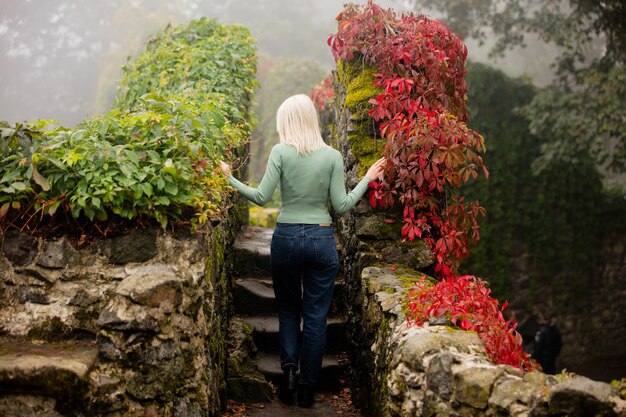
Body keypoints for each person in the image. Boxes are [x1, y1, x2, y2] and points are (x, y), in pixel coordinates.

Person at [220, 94, 385, 408]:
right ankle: (308, 388)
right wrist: (366, 178)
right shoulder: (333, 156)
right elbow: (342, 206)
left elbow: (260, 196)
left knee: (287, 311)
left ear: (287, 122)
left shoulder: (281, 152)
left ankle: (289, 377)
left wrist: (228, 177)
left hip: (286, 239)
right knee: (315, 318)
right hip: (321, 241)